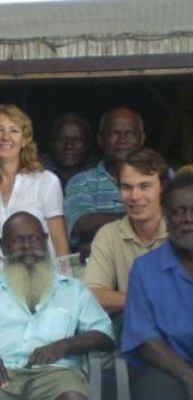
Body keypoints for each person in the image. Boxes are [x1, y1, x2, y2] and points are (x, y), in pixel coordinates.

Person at [0, 211, 114, 400]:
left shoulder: (73, 289)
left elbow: (103, 334)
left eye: (34, 238)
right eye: (17, 240)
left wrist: (63, 345)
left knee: (72, 397)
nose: (27, 247)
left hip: (54, 374)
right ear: (4, 247)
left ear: (45, 241)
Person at [121, 172, 193, 400]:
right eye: (178, 212)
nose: (188, 219)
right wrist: (188, 376)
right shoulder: (145, 270)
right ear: (166, 217)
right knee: (157, 392)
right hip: (172, 369)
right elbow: (145, 339)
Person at [0, 104, 70, 274]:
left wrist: (68, 286)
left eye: (14, 130)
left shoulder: (46, 181)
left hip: (41, 280)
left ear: (25, 140)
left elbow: (61, 245)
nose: (6, 137)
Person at [84, 147, 168, 315]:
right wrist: (149, 301)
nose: (135, 196)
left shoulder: (183, 230)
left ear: (163, 189)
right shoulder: (109, 234)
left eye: (145, 186)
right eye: (127, 187)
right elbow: (91, 294)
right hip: (133, 331)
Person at [65, 107, 146, 260]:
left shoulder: (161, 176)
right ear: (100, 139)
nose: (122, 140)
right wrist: (146, 216)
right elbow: (84, 226)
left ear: (141, 138)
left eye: (129, 133)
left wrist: (99, 238)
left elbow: (171, 222)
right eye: (113, 133)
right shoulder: (81, 182)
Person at [39, 113, 98, 190]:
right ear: (51, 144)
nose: (68, 146)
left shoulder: (97, 170)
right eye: (61, 139)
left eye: (76, 140)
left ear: (88, 145)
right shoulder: (38, 168)